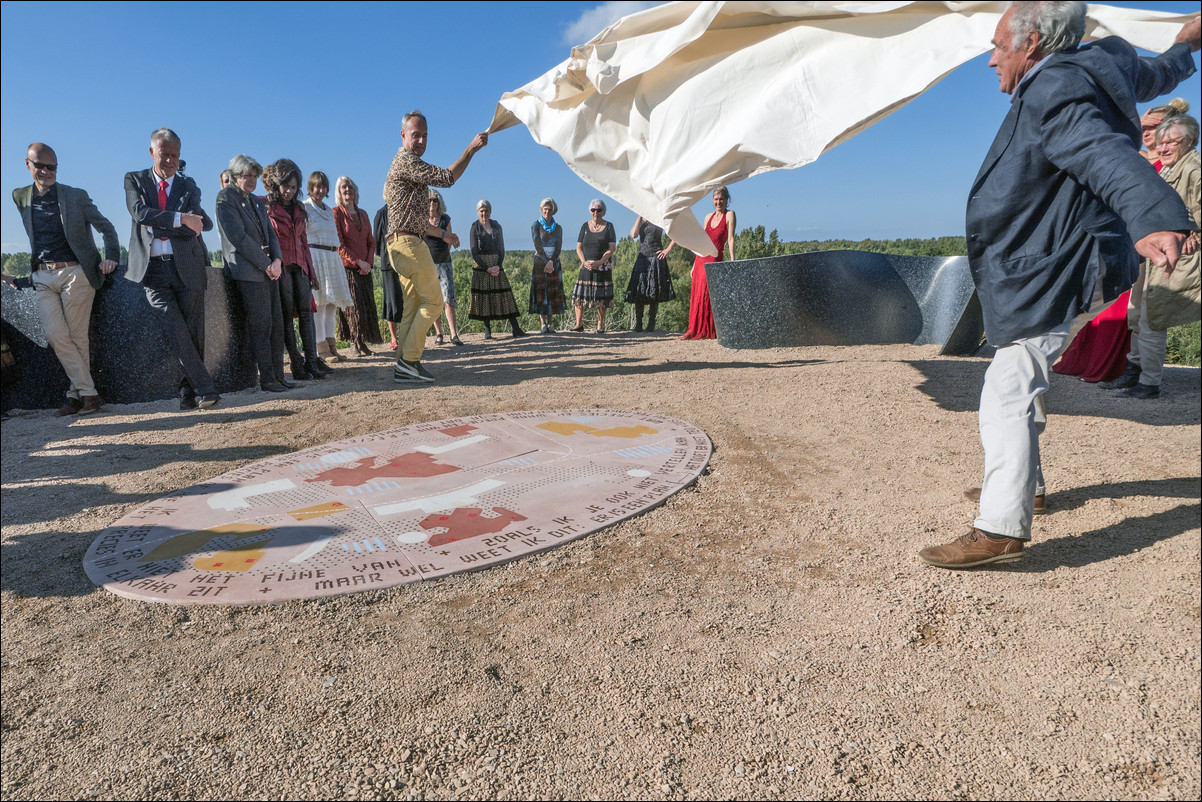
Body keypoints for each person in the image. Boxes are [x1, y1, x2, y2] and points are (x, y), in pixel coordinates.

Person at [917, 3, 1200, 569]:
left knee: (1007, 387)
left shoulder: (1057, 85)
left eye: (1000, 45)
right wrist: (1185, 45)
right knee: (1023, 374)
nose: (992, 58)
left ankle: (1000, 525)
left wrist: (1153, 214)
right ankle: (1029, 487)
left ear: (1035, 42)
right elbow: (1152, 76)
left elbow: (1103, 153)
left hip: (1060, 262)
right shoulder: (1102, 66)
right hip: (1056, 258)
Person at [9, 143, 119, 416]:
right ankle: (89, 393)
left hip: (76, 272)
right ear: (27, 165)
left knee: (77, 336)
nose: (46, 171)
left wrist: (112, 257)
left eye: (52, 167)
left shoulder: (75, 196)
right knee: (55, 334)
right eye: (40, 166)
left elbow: (106, 227)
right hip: (43, 275)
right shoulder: (20, 196)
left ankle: (76, 396)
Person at [383, 110, 488, 383]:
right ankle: (409, 361)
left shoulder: (403, 165)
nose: (421, 141)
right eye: (416, 135)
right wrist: (471, 149)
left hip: (401, 242)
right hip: (408, 244)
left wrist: (443, 235)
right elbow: (447, 178)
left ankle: (403, 365)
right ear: (403, 135)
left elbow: (416, 220)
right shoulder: (407, 162)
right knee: (434, 302)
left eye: (425, 136)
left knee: (414, 304)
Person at [1104, 114, 1202, 400]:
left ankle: (1149, 383)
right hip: (1153, 255)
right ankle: (1134, 373)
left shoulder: (1195, 169)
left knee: (1152, 320)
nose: (1164, 148)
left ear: (1190, 142)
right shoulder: (1170, 169)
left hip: (1175, 259)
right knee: (1137, 314)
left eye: (1172, 142)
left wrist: (1195, 235)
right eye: (1162, 143)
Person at [123, 128, 220, 411]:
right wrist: (180, 219)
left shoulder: (189, 187)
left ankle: (189, 392)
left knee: (192, 332)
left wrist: (167, 224)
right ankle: (206, 387)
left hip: (187, 267)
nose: (170, 161)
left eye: (175, 156)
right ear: (152, 152)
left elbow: (195, 229)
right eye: (165, 155)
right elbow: (140, 214)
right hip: (152, 271)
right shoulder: (135, 180)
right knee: (174, 328)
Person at [215, 154, 291, 393]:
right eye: (248, 175)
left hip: (270, 270)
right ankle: (267, 379)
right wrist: (266, 264)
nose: (252, 180)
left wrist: (277, 260)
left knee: (277, 325)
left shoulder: (258, 201)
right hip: (248, 272)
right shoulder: (225, 199)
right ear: (236, 175)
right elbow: (238, 238)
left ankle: (279, 376)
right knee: (262, 327)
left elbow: (271, 234)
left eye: (255, 176)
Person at [263, 159, 327, 381]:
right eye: (285, 186)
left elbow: (303, 242)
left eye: (293, 187)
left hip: (301, 268)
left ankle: (312, 361)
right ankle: (296, 364)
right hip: (281, 269)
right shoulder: (268, 208)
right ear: (276, 184)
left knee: (307, 315)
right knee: (288, 317)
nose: (289, 191)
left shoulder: (300, 209)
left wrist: (312, 272)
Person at [304, 171, 354, 364]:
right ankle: (321, 348)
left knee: (331, 305)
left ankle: (332, 346)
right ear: (311, 187)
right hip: (316, 256)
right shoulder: (305, 207)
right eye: (317, 186)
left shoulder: (327, 210)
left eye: (323, 186)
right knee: (319, 305)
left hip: (332, 257)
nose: (320, 190)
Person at [334, 176, 380, 357]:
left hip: (365, 269)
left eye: (350, 187)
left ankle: (363, 342)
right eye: (344, 187)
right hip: (348, 268)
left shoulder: (363, 214)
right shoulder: (336, 213)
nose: (348, 190)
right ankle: (354, 343)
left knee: (366, 305)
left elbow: (371, 241)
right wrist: (358, 262)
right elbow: (339, 243)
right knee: (352, 307)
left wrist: (367, 263)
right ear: (339, 192)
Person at [681, 187, 735, 340]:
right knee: (697, 294)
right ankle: (693, 329)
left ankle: (709, 329)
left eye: (721, 199)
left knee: (708, 293)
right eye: (716, 199)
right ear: (713, 201)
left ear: (726, 200)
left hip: (715, 258)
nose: (718, 202)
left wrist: (732, 260)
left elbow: (730, 239)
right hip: (700, 260)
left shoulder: (730, 215)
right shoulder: (707, 217)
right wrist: (693, 265)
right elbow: (701, 243)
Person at [467, 199, 524, 339]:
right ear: (477, 212)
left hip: (496, 263)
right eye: (481, 211)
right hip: (481, 266)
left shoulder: (496, 225)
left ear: (490, 211)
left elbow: (501, 247)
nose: (484, 213)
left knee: (505, 295)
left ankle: (516, 328)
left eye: (486, 210)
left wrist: (498, 265)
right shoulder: (474, 226)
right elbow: (473, 251)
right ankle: (487, 330)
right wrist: (487, 268)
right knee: (485, 297)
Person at [571, 199, 617, 333]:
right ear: (590, 211)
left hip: (602, 266)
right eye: (593, 210)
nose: (596, 212)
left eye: (598, 210)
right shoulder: (584, 226)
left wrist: (600, 262)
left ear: (603, 211)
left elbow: (612, 248)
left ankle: (600, 325)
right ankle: (578, 324)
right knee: (579, 297)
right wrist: (584, 261)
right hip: (586, 266)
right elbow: (578, 247)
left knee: (601, 298)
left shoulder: (609, 226)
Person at [625, 215, 677, 332]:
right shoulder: (640, 219)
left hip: (656, 256)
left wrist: (667, 250)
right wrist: (639, 216)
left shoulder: (659, 218)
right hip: (642, 257)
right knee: (639, 290)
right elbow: (633, 234)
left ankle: (651, 323)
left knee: (654, 290)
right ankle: (638, 323)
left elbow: (677, 233)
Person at [425, 189, 463, 345]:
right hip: (428, 265)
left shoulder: (445, 219)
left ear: (439, 203)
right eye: (429, 201)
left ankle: (454, 334)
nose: (432, 203)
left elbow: (450, 239)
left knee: (448, 299)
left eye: (435, 200)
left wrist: (443, 255)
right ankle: (439, 333)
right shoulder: (422, 220)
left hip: (444, 263)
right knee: (434, 300)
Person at [530, 197, 567, 333]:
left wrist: (552, 261)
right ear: (541, 210)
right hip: (540, 261)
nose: (547, 211)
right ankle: (542, 324)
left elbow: (559, 246)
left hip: (554, 261)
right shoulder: (535, 225)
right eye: (545, 209)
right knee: (541, 292)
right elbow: (537, 244)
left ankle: (551, 324)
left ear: (554, 211)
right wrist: (546, 261)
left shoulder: (558, 228)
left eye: (550, 209)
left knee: (553, 292)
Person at [372, 204, 404, 350]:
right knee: (391, 302)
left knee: (408, 299)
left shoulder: (403, 209)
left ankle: (408, 335)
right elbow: (377, 241)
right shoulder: (381, 213)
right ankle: (393, 338)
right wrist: (386, 257)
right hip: (388, 262)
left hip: (407, 261)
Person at [1139, 98, 1189, 170]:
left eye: (1152, 127)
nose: (1145, 134)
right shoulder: (1135, 156)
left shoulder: (1179, 164)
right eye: (1143, 128)